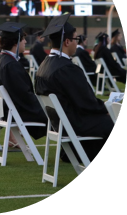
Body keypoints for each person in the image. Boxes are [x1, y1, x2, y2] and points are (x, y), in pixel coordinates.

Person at [35, 14, 114, 162]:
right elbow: (87, 103)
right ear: (67, 41)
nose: (77, 44)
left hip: (58, 124)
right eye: (76, 39)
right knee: (111, 120)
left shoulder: (44, 65)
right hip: (75, 124)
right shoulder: (66, 69)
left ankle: (73, 154)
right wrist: (107, 109)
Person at [0, 22, 47, 140]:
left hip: (8, 112)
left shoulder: (1, 60)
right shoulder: (10, 65)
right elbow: (23, 95)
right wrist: (44, 109)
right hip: (20, 113)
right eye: (23, 39)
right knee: (63, 118)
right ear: (16, 42)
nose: (25, 42)